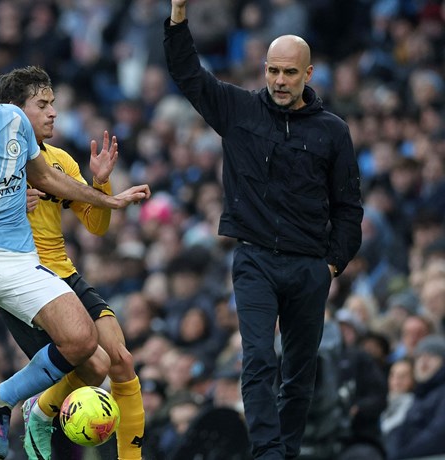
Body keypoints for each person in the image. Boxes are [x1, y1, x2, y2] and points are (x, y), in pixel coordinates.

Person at [0, 60, 150, 460]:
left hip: (17, 256)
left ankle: (2, 401)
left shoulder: (12, 122)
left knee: (85, 342)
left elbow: (45, 176)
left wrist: (105, 196)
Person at [164, 1, 364, 459]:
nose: (278, 80)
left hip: (310, 265)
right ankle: (268, 453)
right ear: (264, 69)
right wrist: (177, 18)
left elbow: (348, 205)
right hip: (255, 259)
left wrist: (332, 263)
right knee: (257, 359)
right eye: (273, 70)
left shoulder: (333, 132)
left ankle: (285, 452)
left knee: (299, 370)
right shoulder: (238, 109)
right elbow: (188, 74)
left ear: (308, 74)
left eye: (289, 72)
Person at [0, 65, 145, 460]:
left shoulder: (60, 160)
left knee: (121, 359)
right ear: (14, 111)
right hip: (25, 281)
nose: (53, 113)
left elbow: (96, 226)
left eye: (53, 104)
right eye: (42, 105)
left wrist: (101, 184)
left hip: (65, 273)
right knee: (93, 365)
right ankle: (39, 411)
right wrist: (7, 206)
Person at [384, 334, 445, 460]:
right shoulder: (421, 394)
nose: (424, 361)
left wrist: (402, 454)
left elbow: (438, 434)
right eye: (420, 356)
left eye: (432, 356)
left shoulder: (441, 393)